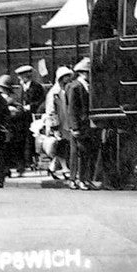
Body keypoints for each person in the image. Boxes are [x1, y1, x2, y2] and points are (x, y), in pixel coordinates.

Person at [65, 57, 98, 190]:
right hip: (79, 125)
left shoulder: (86, 86)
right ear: (83, 73)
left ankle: (83, 179)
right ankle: (76, 179)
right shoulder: (75, 87)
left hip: (86, 125)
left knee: (85, 153)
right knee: (77, 153)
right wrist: (75, 127)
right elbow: (72, 109)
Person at [12, 65, 44, 175]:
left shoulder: (37, 87)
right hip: (21, 119)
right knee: (21, 141)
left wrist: (30, 107)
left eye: (21, 76)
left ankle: (30, 162)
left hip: (32, 117)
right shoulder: (21, 87)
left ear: (27, 76)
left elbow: (41, 101)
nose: (19, 79)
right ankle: (23, 164)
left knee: (31, 140)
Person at [43, 67, 74, 181]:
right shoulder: (54, 92)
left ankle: (52, 168)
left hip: (66, 121)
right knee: (62, 145)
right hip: (59, 123)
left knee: (64, 145)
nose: (69, 78)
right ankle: (65, 169)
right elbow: (51, 110)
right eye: (66, 76)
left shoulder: (65, 89)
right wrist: (54, 127)